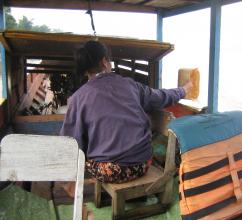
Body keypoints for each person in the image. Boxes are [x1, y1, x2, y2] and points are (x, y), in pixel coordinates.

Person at [60, 40, 193, 184]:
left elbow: (70, 143)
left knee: (83, 150)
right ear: (105, 62)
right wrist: (184, 90)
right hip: (141, 164)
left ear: (85, 68)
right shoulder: (130, 85)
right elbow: (161, 97)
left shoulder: (78, 98)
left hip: (107, 171)